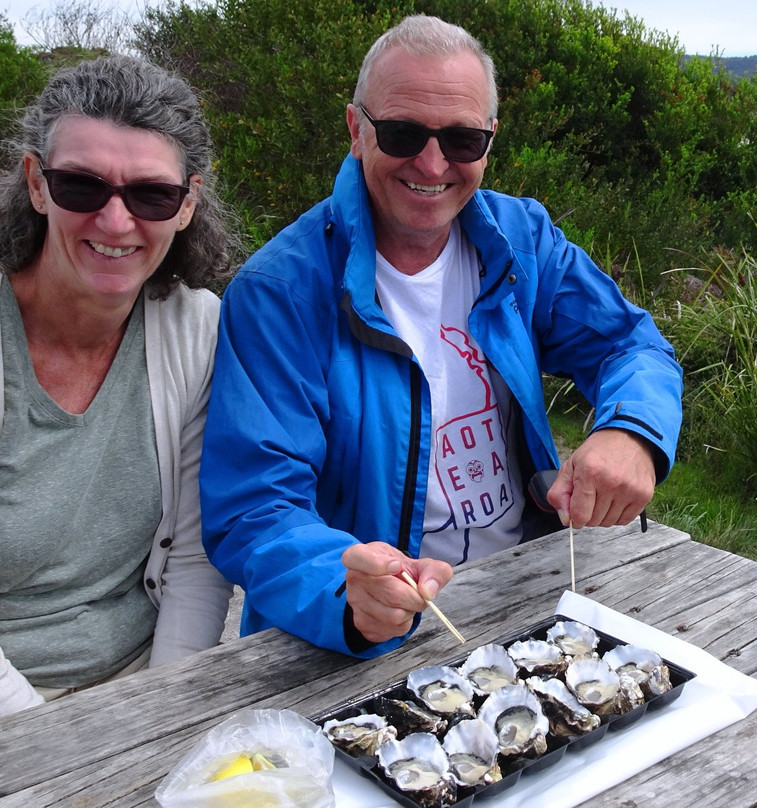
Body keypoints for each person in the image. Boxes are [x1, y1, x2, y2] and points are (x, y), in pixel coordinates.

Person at [200, 14, 683, 658]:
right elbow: (254, 508)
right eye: (402, 134)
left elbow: (630, 344)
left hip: (531, 586)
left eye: (461, 139)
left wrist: (632, 432)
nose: (432, 163)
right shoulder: (277, 293)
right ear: (356, 131)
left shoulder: (523, 240)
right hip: (365, 634)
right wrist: (346, 591)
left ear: (489, 141)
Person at [0, 56, 241, 716]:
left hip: (137, 681)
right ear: (37, 183)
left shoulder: (196, 331)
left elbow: (195, 557)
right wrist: (59, 750)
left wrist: (163, 717)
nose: (114, 221)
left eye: (151, 195)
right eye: (82, 185)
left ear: (187, 204)